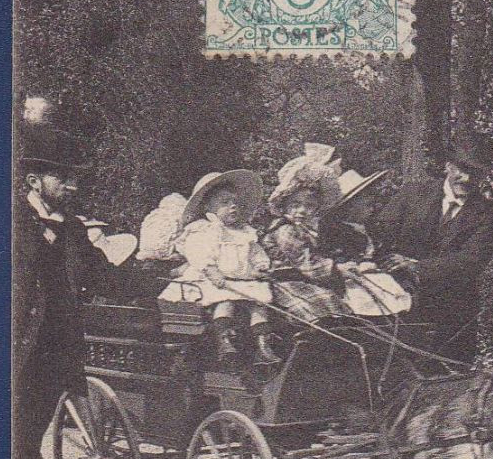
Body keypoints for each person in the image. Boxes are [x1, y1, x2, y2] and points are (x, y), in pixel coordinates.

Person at [13, 122, 116, 459]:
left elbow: (108, 275)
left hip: (54, 352)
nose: (72, 186)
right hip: (9, 348)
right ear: (35, 180)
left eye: (75, 178)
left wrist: (177, 277)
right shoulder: (7, 219)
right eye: (64, 177)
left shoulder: (71, 227)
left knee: (21, 448)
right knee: (15, 449)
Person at [369, 138, 493, 361]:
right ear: (448, 166)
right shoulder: (413, 194)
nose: (467, 179)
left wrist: (417, 267)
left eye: (477, 173)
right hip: (399, 306)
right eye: (462, 170)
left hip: (453, 315)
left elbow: (472, 260)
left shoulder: (488, 213)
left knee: (450, 383)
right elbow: (380, 234)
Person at [160, 170, 279, 364]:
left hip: (243, 279)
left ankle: (263, 344)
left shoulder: (244, 232)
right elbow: (199, 253)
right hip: (214, 280)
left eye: (236, 203)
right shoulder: (205, 229)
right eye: (225, 202)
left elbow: (256, 252)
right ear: (209, 207)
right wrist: (211, 271)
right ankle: (224, 340)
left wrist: (261, 266)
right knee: (226, 302)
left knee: (260, 304)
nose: (233, 207)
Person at [262, 144, 349, 325]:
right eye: (295, 204)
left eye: (308, 206)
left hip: (308, 279)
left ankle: (334, 338)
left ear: (317, 208)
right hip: (285, 281)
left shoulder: (311, 229)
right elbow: (303, 260)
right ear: (284, 206)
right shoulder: (284, 229)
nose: (301, 211)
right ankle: (312, 341)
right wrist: (337, 269)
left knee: (338, 305)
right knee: (316, 311)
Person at [321, 168, 412, 318]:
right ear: (349, 207)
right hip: (354, 277)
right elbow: (337, 255)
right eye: (365, 202)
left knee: (393, 294)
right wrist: (353, 265)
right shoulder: (339, 231)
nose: (372, 206)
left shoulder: (369, 228)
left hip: (375, 274)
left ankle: (391, 321)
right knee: (364, 301)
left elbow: (378, 250)